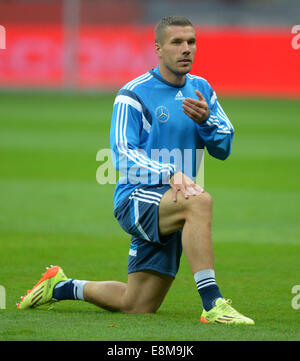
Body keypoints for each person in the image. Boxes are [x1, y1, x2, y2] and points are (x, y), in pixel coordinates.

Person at [17, 16, 254, 325]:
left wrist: (206, 121)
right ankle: (213, 304)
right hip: (136, 199)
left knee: (137, 304)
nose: (186, 49)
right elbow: (123, 156)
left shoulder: (202, 90)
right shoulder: (133, 94)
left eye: (191, 42)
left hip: (173, 203)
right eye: (177, 42)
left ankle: (59, 287)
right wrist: (170, 172)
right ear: (158, 48)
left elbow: (224, 147)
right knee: (200, 200)